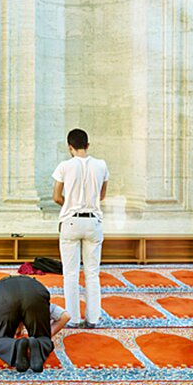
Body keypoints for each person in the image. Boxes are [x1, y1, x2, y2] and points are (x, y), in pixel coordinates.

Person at [52, 128, 109, 328]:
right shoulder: (101, 165)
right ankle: (93, 318)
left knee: (71, 273)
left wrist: (71, 204)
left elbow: (57, 197)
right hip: (93, 221)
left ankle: (73, 319)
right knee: (92, 273)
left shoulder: (64, 166)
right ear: (87, 145)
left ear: (70, 147)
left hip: (71, 221)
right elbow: (101, 196)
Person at [0, 275, 70, 373]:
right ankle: (39, 343)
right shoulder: (36, 292)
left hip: (3, 297)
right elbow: (65, 316)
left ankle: (14, 345)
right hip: (36, 295)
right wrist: (46, 335)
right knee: (42, 336)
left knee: (1, 339)